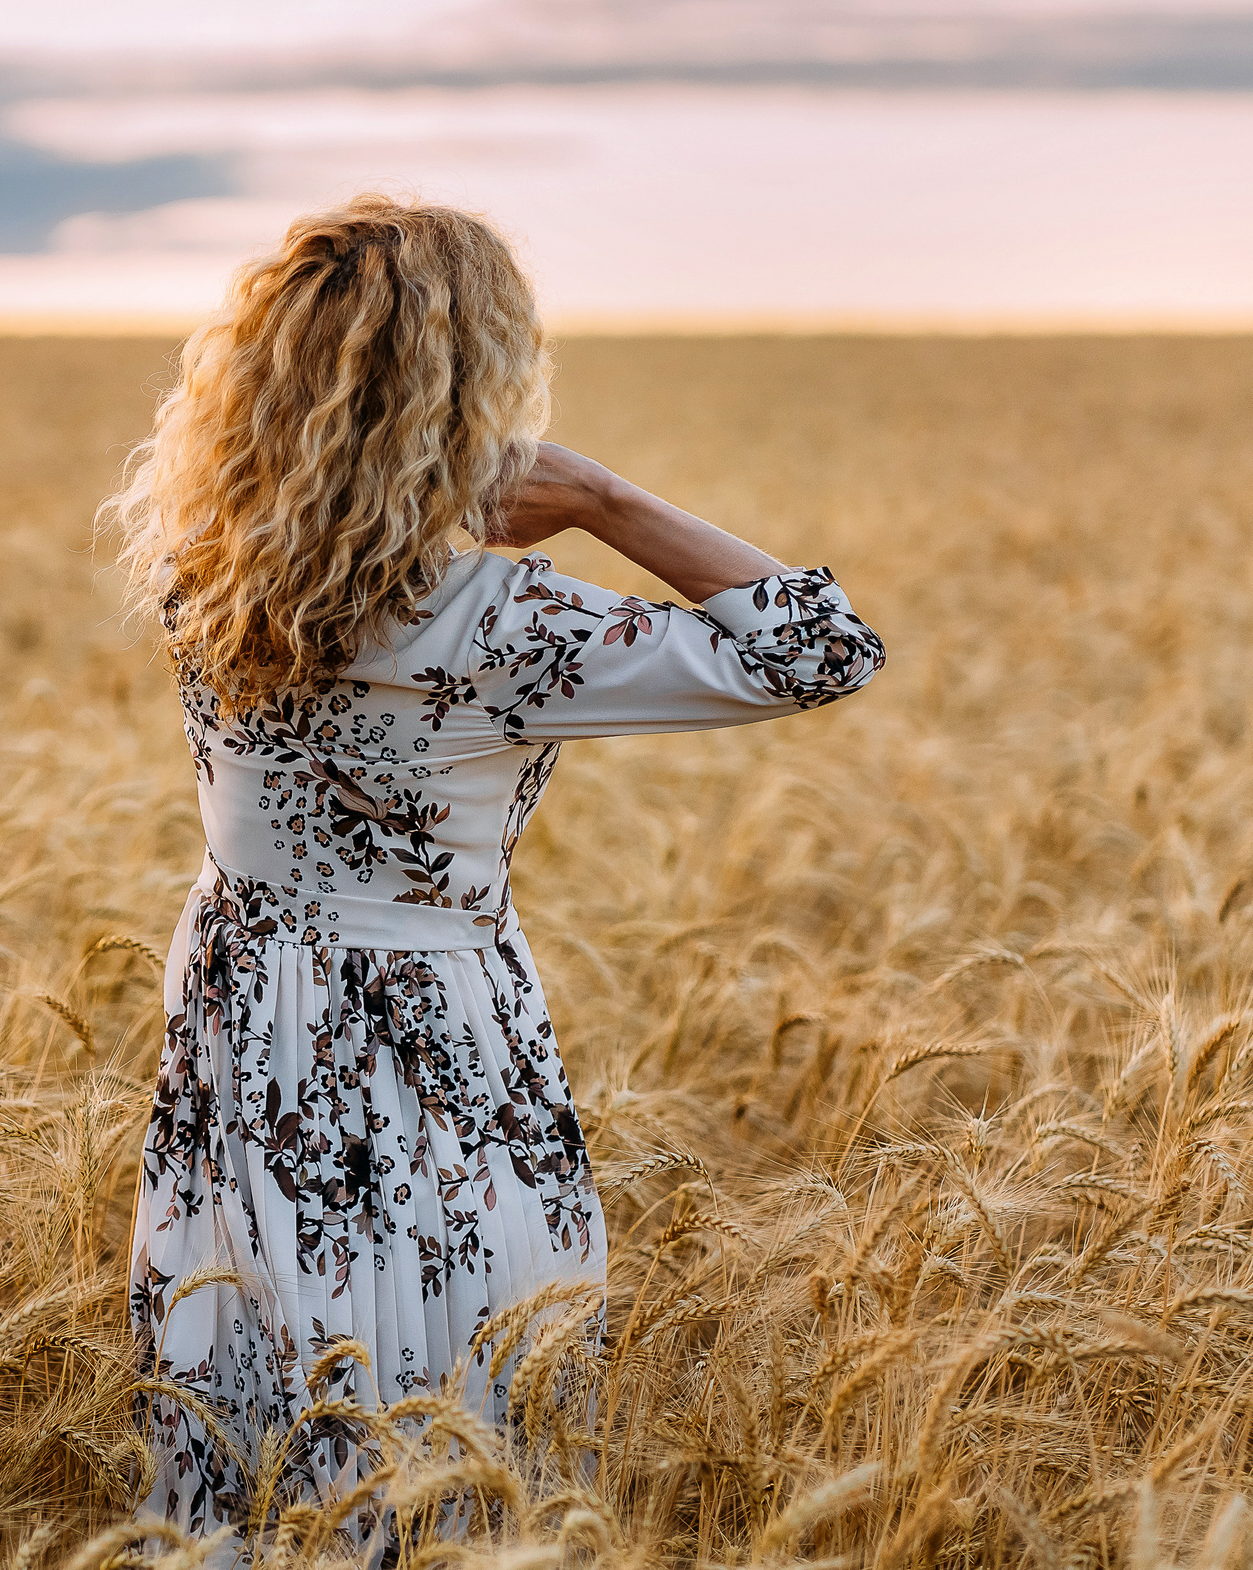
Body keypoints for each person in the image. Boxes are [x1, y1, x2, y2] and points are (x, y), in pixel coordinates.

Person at [101, 194, 884, 1552]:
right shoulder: (498, 622)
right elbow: (823, 649)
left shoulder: (201, 578)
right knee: (449, 1412)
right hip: (432, 1033)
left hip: (239, 1015)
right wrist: (599, 497)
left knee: (248, 1398)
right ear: (473, 395)